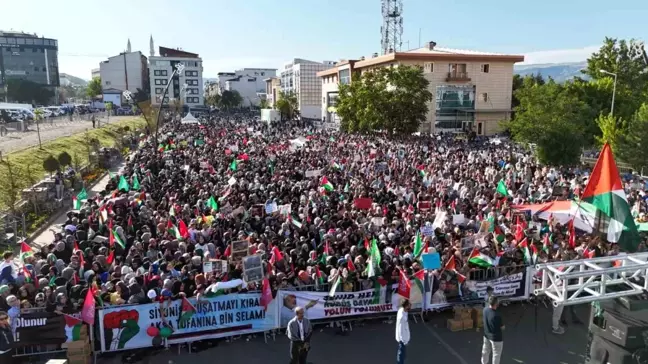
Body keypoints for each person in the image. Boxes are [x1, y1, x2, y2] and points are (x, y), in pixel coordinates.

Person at [482, 295, 504, 364]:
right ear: (496, 303)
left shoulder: (485, 310)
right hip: (496, 338)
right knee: (496, 355)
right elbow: (502, 327)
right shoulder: (497, 315)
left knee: (485, 351)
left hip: (486, 336)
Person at [395, 299, 411, 364]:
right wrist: (404, 341)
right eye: (409, 305)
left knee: (402, 353)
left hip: (404, 338)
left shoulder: (403, 310)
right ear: (406, 306)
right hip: (403, 339)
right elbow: (401, 330)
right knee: (401, 354)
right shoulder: (402, 317)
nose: (410, 306)